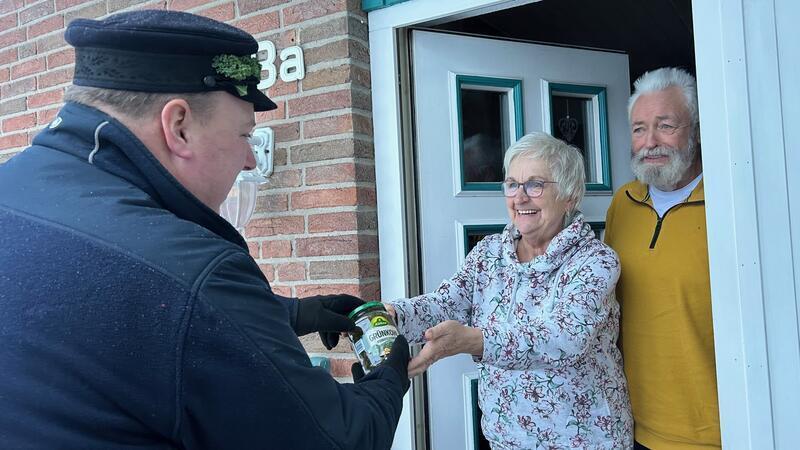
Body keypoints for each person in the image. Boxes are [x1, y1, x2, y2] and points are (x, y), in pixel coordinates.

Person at [0, 10, 410, 449]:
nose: (251, 160)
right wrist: (386, 382)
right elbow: (339, 441)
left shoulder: (14, 189)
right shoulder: (190, 269)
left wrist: (283, 315)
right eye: (244, 135)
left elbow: (111, 312)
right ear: (178, 127)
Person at [388, 132, 633, 449]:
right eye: (512, 184)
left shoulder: (595, 261)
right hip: (506, 439)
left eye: (535, 184)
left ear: (570, 196)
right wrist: (389, 316)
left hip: (585, 440)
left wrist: (475, 340)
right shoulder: (490, 253)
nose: (520, 197)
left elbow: (564, 338)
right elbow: (445, 305)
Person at [604, 67, 719, 449]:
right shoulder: (623, 203)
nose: (650, 141)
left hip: (719, 432)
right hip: (631, 427)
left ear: (697, 131)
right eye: (639, 129)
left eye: (665, 125)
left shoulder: (731, 204)